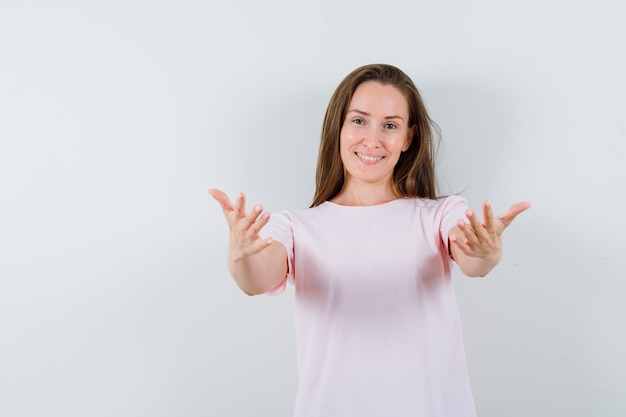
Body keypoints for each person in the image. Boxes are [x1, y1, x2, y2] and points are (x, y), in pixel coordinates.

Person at [209, 64, 530, 417]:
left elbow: (472, 260)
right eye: (359, 121)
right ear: (339, 127)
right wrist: (240, 255)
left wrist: (485, 252)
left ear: (408, 137)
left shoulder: (440, 214)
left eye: (390, 125)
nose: (372, 140)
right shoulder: (296, 227)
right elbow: (256, 278)